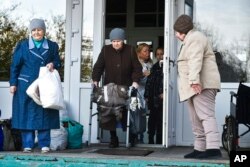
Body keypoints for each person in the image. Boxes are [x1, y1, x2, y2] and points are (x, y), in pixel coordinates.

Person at [9, 18, 61, 153]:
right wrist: (13, 83)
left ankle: (44, 144)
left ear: (44, 31)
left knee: (45, 113)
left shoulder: (52, 45)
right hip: (25, 85)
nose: (36, 33)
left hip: (45, 85)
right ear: (31, 32)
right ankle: (28, 144)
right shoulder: (23, 46)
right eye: (34, 30)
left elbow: (57, 61)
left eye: (39, 30)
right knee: (26, 114)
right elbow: (15, 66)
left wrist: (53, 64)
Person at [173, 14, 222, 159]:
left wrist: (194, 81)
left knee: (206, 116)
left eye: (177, 32)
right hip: (193, 87)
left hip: (202, 85)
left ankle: (213, 148)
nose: (176, 35)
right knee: (195, 118)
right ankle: (200, 148)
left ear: (183, 31)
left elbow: (195, 60)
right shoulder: (189, 39)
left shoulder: (195, 38)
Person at [92, 28, 143, 148]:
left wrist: (135, 82)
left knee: (128, 112)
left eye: (118, 41)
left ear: (123, 40)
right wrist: (95, 80)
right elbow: (98, 66)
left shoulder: (130, 50)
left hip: (126, 86)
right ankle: (113, 138)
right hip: (110, 87)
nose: (115, 43)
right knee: (109, 112)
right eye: (113, 41)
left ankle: (131, 136)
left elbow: (137, 68)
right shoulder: (106, 50)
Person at [144, 47, 164, 144]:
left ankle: (160, 140)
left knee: (161, 120)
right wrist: (147, 96)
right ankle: (150, 139)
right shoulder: (154, 67)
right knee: (152, 119)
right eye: (158, 54)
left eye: (162, 54)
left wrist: (164, 93)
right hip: (153, 97)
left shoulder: (167, 67)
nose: (160, 56)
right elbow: (149, 82)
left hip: (162, 98)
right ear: (156, 56)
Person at [136, 43, 153, 144]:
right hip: (138, 92)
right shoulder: (136, 64)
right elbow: (132, 77)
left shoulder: (150, 64)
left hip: (146, 94)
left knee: (143, 116)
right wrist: (142, 75)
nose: (148, 53)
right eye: (145, 51)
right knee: (136, 115)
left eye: (149, 51)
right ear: (139, 53)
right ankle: (135, 136)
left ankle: (141, 138)